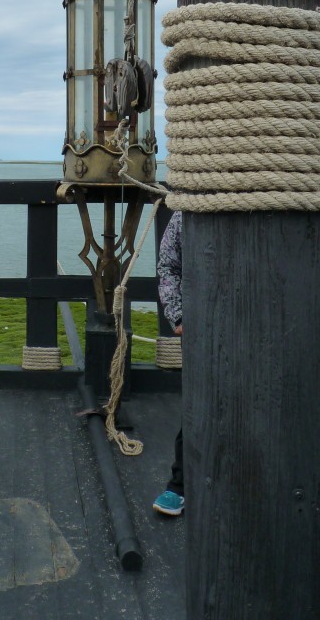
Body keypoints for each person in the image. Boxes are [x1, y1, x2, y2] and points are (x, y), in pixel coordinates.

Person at [152, 209, 184, 517]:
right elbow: (169, 265)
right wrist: (177, 314)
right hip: (202, 326)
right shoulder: (186, 212)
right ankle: (180, 485)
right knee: (198, 405)